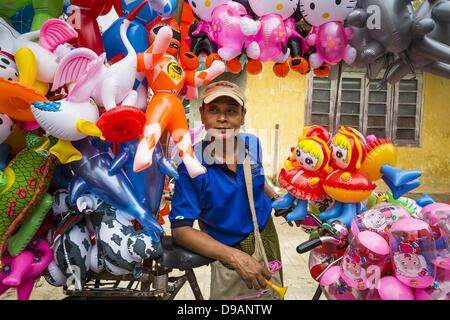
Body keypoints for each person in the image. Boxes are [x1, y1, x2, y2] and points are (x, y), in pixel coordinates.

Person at [169, 81, 283, 300]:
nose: (222, 118)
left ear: (242, 115)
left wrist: (275, 198)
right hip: (227, 247)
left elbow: (256, 179)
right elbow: (181, 230)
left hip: (265, 234)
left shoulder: (253, 144)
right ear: (202, 115)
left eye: (231, 111)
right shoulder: (193, 166)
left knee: (272, 294)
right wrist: (234, 257)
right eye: (214, 110)